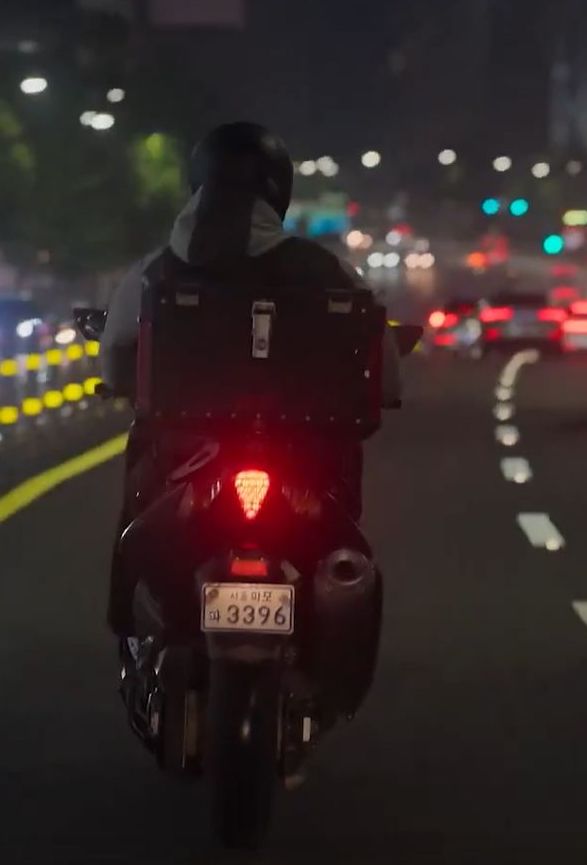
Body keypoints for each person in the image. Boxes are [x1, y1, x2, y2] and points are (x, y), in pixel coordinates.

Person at [100, 121, 400, 636]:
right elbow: (385, 368)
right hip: (305, 454)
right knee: (345, 542)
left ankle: (130, 629)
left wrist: (122, 383)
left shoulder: (156, 269)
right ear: (278, 190)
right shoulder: (327, 270)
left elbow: (112, 356)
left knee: (138, 506)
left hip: (183, 451)